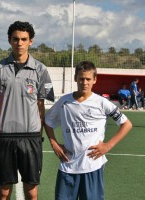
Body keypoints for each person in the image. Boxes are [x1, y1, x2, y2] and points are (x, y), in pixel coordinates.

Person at [0, 21, 55, 200]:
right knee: (4, 192)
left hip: (30, 137)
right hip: (4, 136)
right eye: (15, 39)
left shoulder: (41, 69)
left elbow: (41, 105)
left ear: (31, 41)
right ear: (9, 40)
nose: (19, 43)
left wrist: (38, 135)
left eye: (24, 39)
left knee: (31, 191)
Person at [45, 61, 132, 200]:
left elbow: (126, 124)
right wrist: (54, 143)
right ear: (75, 79)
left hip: (92, 166)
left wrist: (108, 145)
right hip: (68, 165)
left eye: (88, 79)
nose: (84, 82)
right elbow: (47, 121)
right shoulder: (64, 102)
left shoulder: (101, 102)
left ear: (95, 80)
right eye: (81, 78)